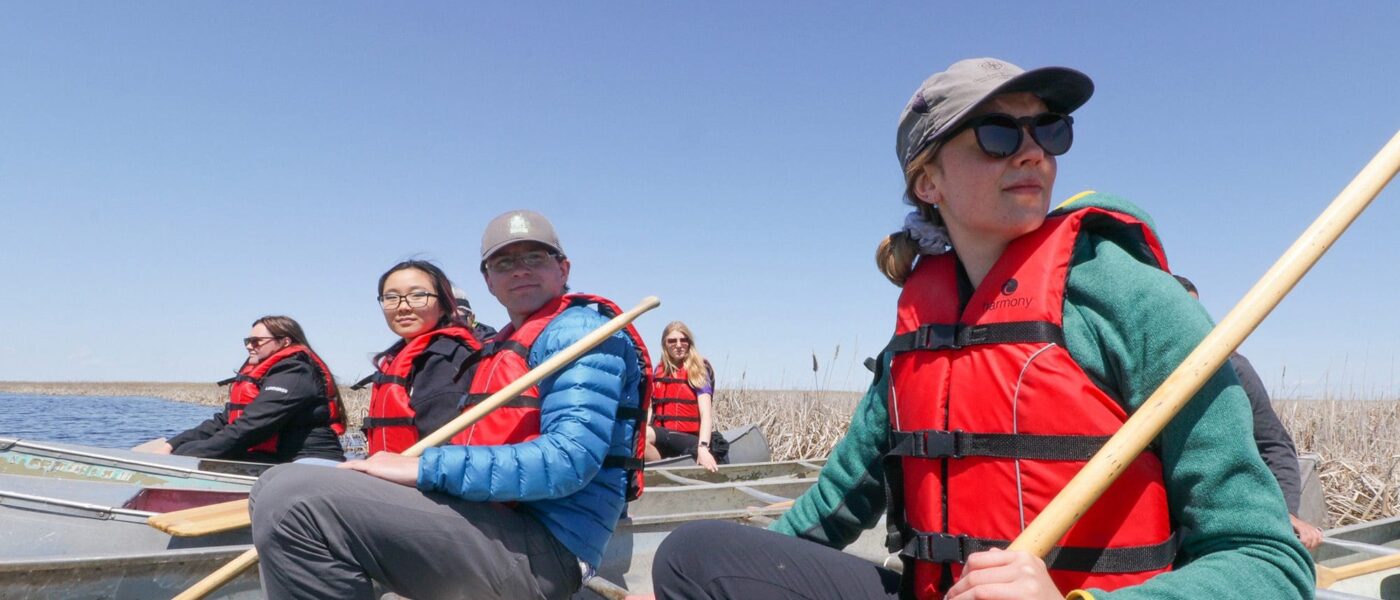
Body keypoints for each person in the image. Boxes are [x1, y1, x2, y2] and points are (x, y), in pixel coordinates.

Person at [650, 58, 1313, 600]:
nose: (1031, 152)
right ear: (928, 181)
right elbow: (828, 513)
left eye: (1048, 130)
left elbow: (1269, 564)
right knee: (691, 556)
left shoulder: (1134, 300)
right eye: (997, 135)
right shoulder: (919, 331)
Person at [248, 209, 650, 600]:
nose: (520, 269)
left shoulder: (582, 333)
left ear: (563, 269)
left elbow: (568, 461)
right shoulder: (508, 341)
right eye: (504, 261)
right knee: (272, 483)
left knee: (292, 500)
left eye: (535, 256)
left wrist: (422, 467)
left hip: (545, 554)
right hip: (498, 523)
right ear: (488, 281)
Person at [1175, 274, 1323, 550]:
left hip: (1226, 512)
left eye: (1196, 313)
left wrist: (1286, 513)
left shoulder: (1234, 369)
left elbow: (1275, 445)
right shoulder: (1137, 371)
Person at [134, 316, 346, 463]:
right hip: (274, 457)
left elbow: (252, 426)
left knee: (195, 454)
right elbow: (225, 421)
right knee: (187, 450)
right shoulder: (268, 372)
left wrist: (188, 454)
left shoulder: (295, 373)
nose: (249, 346)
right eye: (247, 341)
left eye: (256, 341)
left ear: (284, 342)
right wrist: (173, 444)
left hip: (308, 458)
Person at [353, 260, 482, 455]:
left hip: (426, 479)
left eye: (418, 295)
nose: (403, 306)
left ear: (443, 306)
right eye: (391, 297)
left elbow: (445, 451)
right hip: (396, 475)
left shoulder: (447, 359)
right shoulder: (404, 355)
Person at [645, 321, 728, 471]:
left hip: (690, 438)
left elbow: (706, 414)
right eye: (672, 341)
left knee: (643, 436)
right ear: (665, 344)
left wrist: (703, 448)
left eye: (683, 340)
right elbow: (652, 410)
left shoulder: (699, 370)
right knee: (637, 436)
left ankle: (666, 470)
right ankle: (663, 469)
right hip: (664, 435)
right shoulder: (659, 370)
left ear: (689, 343)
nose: (678, 345)